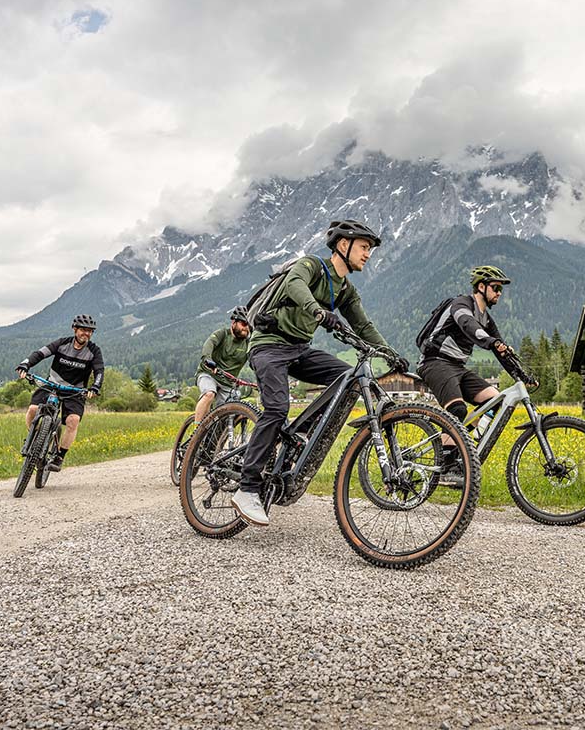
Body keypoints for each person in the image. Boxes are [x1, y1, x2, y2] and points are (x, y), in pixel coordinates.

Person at [231, 219, 407, 526]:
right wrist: (317, 311)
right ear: (343, 245)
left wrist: (390, 354)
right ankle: (247, 489)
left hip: (299, 349)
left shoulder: (346, 289)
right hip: (269, 345)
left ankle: (300, 434)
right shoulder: (312, 265)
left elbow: (363, 326)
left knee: (347, 379)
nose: (368, 254)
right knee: (276, 407)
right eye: (364, 247)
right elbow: (294, 285)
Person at [415, 265, 529, 488]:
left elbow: (500, 349)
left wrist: (522, 376)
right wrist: (490, 341)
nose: (499, 293)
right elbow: (468, 325)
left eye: (501, 290)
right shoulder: (461, 304)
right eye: (495, 287)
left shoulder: (486, 318)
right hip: (435, 362)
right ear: (481, 286)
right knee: (457, 410)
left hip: (457, 367)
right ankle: (447, 467)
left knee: (496, 399)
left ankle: (465, 446)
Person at [15, 314, 105, 472]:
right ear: (75, 329)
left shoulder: (94, 351)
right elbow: (40, 354)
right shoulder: (62, 343)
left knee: (73, 420)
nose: (87, 334)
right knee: (33, 410)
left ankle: (59, 457)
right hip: (52, 385)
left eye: (90, 331)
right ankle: (33, 439)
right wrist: (25, 364)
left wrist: (95, 387)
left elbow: (99, 371)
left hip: (75, 390)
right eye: (83, 330)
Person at [194, 307, 251, 423]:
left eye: (249, 325)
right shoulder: (222, 334)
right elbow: (209, 344)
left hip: (228, 383)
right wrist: (207, 359)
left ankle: (215, 439)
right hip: (209, 374)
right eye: (243, 323)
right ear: (233, 322)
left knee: (225, 415)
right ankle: (196, 435)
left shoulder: (248, 344)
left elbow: (256, 360)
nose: (246, 327)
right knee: (209, 394)